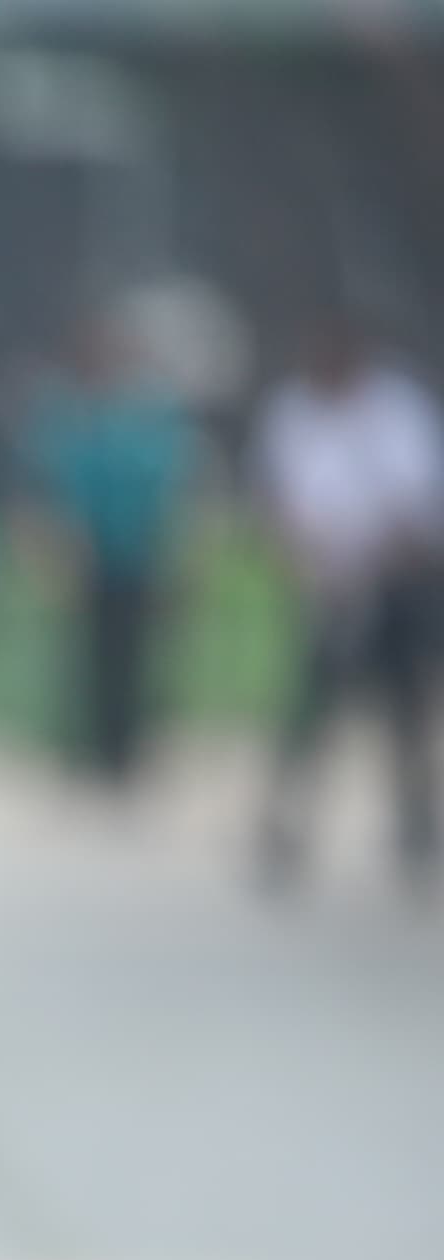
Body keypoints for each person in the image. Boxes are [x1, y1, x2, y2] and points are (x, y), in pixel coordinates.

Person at [252, 318, 444, 892]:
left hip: (392, 585)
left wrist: (381, 552)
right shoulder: (293, 411)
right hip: (328, 585)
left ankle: (415, 824)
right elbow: (276, 493)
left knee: (404, 713)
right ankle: (286, 825)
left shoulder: (398, 411)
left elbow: (419, 501)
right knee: (310, 711)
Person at [25, 310, 195, 789]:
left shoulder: (150, 412)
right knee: (83, 660)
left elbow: (174, 488)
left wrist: (179, 555)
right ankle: (85, 752)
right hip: (84, 558)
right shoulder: (66, 411)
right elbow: (45, 489)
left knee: (136, 659)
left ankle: (130, 753)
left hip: (137, 554)